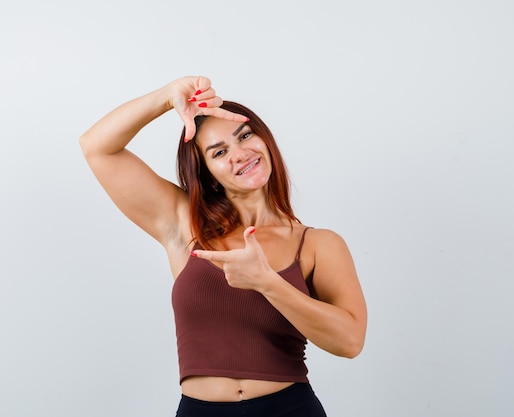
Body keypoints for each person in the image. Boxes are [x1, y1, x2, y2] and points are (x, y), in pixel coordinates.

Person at [79, 76, 367, 417]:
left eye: (244, 135)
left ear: (265, 139)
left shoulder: (319, 244)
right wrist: (167, 98)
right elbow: (97, 146)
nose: (240, 154)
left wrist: (267, 282)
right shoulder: (183, 222)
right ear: (209, 173)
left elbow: (349, 342)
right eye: (219, 152)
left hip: (289, 408)